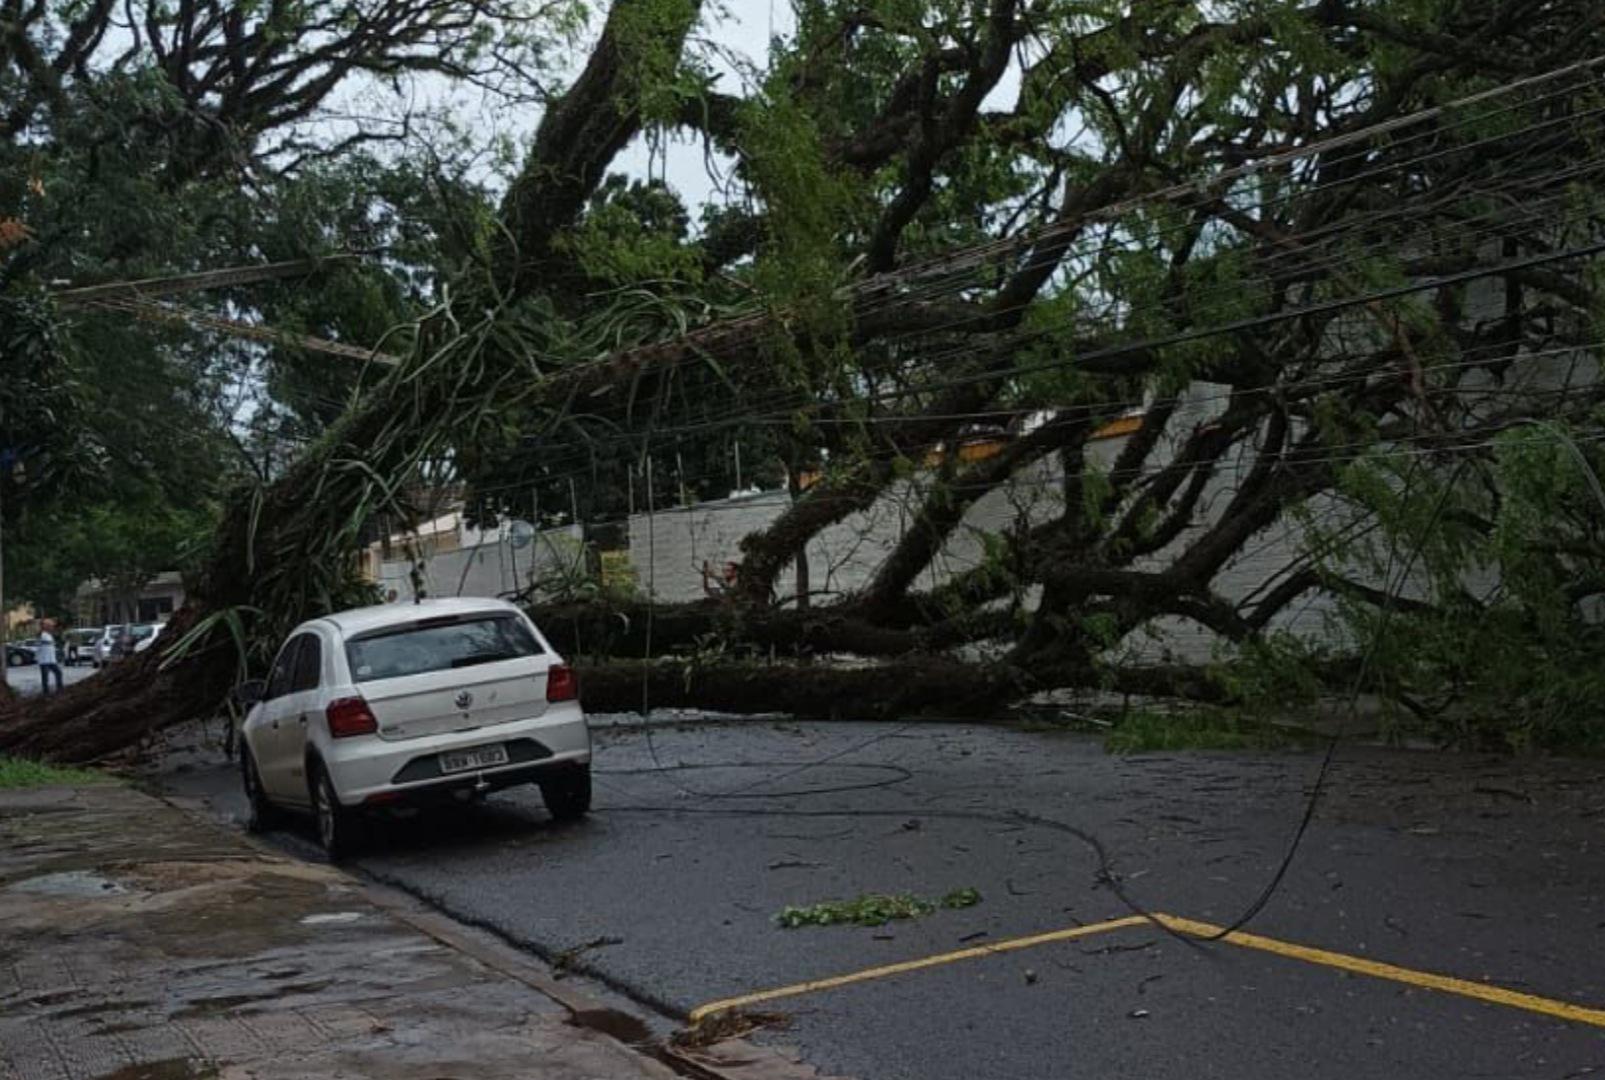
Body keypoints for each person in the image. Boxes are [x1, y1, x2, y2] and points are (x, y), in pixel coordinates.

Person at [36, 619, 63, 696]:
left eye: (52, 626)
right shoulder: (42, 634)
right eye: (50, 626)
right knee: (45, 677)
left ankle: (59, 689)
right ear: (46, 626)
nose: (52, 627)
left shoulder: (49, 635)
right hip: (44, 660)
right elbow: (42, 643)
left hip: (51, 659)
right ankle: (46, 693)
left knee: (58, 673)